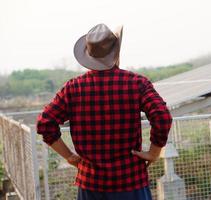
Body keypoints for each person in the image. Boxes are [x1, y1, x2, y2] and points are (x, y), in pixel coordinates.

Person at [36, 23, 173, 200]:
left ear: (88, 55)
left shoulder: (72, 88)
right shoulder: (137, 83)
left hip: (90, 184)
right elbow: (162, 117)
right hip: (131, 183)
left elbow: (44, 124)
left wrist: (69, 156)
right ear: (116, 53)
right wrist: (153, 152)